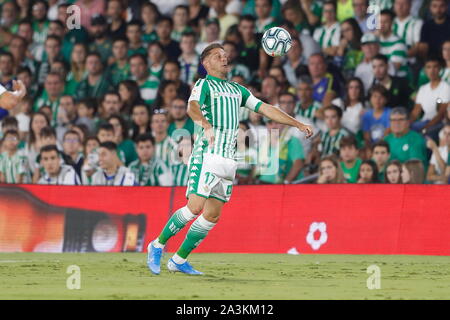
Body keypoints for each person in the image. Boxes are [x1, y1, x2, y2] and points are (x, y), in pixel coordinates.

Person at [146, 43, 313, 275]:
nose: (224, 59)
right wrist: (204, 124)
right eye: (218, 56)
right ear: (206, 63)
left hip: (228, 160)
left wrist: (297, 123)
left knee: (212, 215)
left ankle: (179, 260)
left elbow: (265, 108)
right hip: (206, 154)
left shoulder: (238, 90)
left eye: (225, 55)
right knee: (194, 207)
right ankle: (157, 245)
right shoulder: (203, 84)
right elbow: (192, 107)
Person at [411, 57, 450, 138]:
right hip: (424, 122)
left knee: (425, 134)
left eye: (435, 67)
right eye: (428, 67)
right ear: (425, 70)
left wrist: (425, 128)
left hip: (439, 123)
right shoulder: (423, 89)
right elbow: (415, 112)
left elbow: (441, 114)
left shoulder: (446, 87)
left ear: (440, 69)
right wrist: (405, 124)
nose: (432, 71)